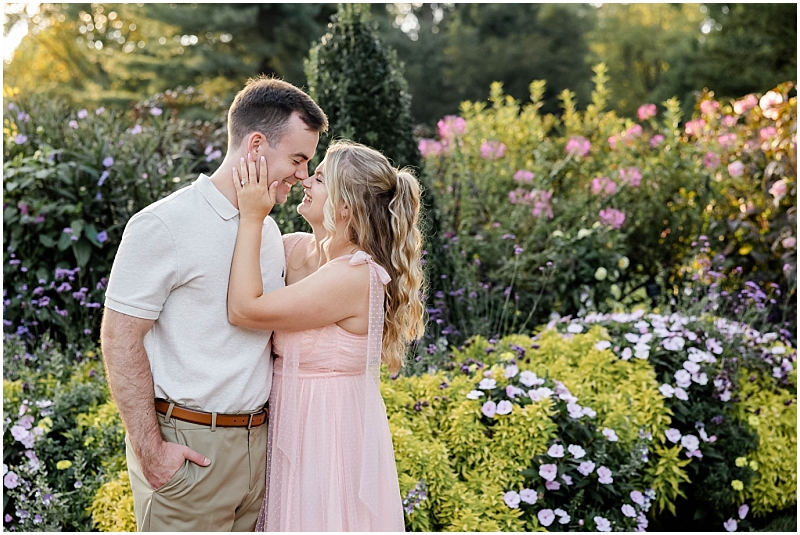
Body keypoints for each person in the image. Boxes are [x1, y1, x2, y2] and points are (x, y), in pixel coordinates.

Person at [100, 76, 328, 531]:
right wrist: (152, 452)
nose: (302, 175)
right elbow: (118, 336)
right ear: (257, 145)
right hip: (190, 450)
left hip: (259, 451)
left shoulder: (265, 229)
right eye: (298, 159)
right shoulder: (164, 224)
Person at [227, 139, 425, 531]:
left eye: (319, 178)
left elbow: (245, 309)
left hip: (327, 429)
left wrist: (253, 218)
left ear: (344, 206)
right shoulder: (292, 248)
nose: (305, 180)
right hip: (285, 415)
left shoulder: (354, 275)